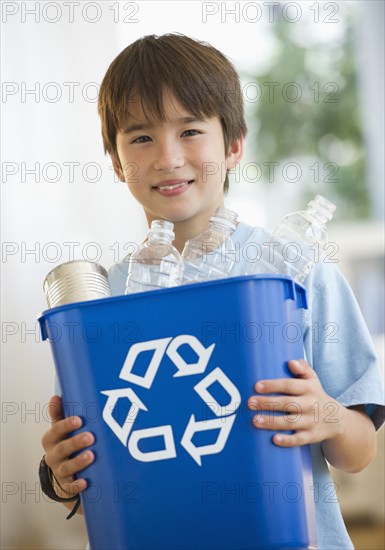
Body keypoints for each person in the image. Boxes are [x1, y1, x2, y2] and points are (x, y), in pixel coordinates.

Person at [41, 33, 385, 549]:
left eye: (191, 130)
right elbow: (94, 456)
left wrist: (328, 415)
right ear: (115, 162)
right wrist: (59, 475)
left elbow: (357, 452)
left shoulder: (297, 276)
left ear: (233, 145)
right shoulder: (98, 299)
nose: (168, 157)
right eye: (140, 138)